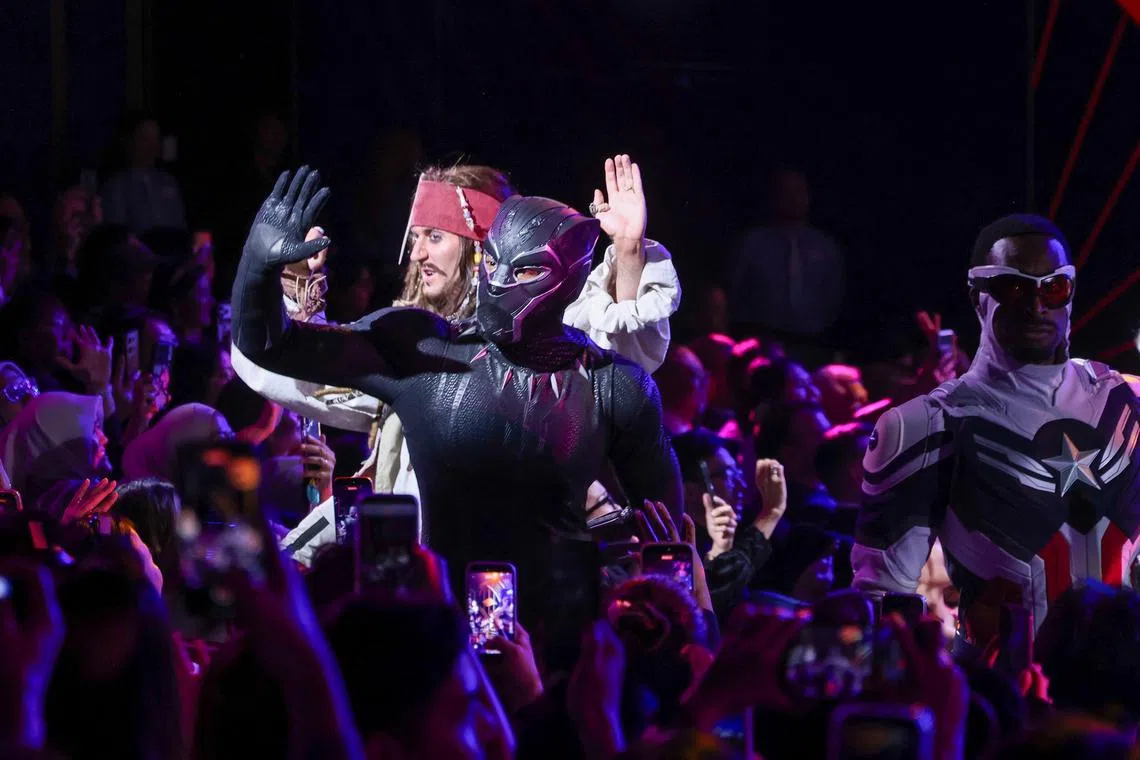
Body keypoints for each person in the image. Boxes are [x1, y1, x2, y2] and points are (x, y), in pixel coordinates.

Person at [230, 165, 682, 625]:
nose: (419, 253)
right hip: (432, 608)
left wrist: (627, 252)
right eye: (418, 236)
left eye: (437, 236)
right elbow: (278, 358)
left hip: (554, 624)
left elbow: (620, 352)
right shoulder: (417, 346)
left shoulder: (598, 375)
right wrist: (261, 271)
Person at [852, 214, 1140, 650]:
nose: (1036, 304)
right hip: (1011, 698)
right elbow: (883, 605)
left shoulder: (1128, 402)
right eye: (1015, 286)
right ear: (977, 295)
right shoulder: (925, 426)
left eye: (1053, 287)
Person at [727, 168, 844, 358]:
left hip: (812, 344)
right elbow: (736, 292)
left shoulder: (824, 247)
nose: (794, 199)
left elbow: (832, 298)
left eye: (799, 192)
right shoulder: (753, 244)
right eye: (786, 193)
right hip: (763, 343)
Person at [100, 115, 187, 234]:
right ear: (129, 142)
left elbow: (180, 226)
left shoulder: (168, 181)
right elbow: (117, 235)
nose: (152, 146)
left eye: (155, 139)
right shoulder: (116, 186)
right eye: (145, 139)